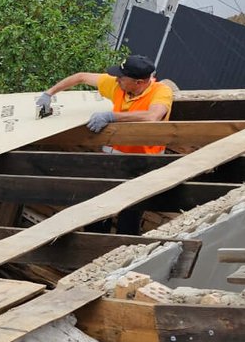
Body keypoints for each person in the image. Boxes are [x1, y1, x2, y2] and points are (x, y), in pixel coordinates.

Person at [36, 55, 175, 234]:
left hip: (143, 167)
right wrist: (49, 93)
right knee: (97, 213)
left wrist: (111, 116)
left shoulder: (161, 92)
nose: (117, 80)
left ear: (139, 82)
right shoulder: (118, 86)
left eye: (121, 78)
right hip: (111, 164)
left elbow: (152, 116)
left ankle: (122, 256)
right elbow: (81, 77)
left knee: (129, 217)